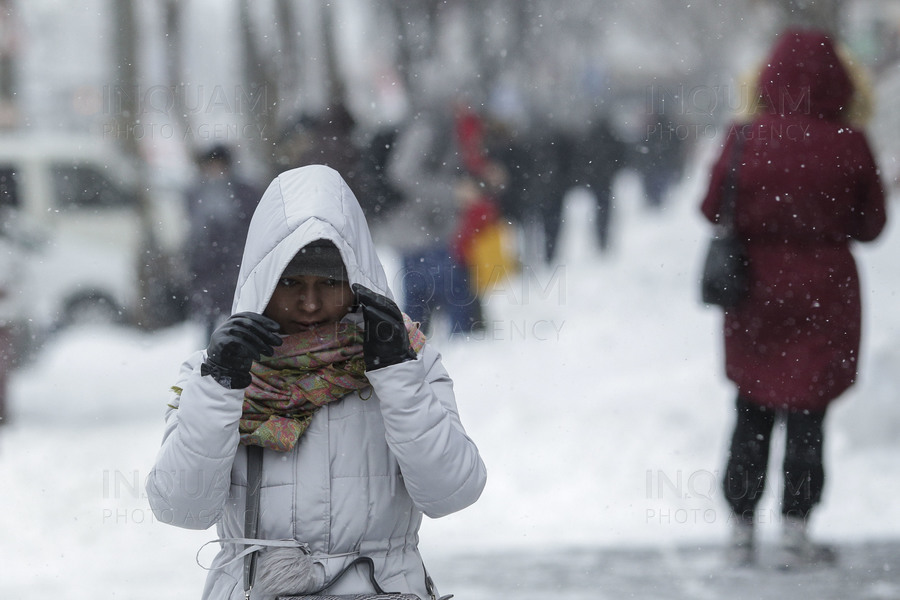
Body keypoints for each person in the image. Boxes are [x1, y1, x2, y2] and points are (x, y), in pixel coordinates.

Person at [147, 164, 486, 599]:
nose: (309, 302)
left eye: (329, 282)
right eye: (290, 282)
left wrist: (396, 373)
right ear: (264, 280)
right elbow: (181, 506)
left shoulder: (406, 359)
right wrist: (220, 385)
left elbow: (452, 491)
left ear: (356, 281)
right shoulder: (215, 371)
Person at [701, 29, 887, 568]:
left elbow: (713, 207)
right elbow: (872, 225)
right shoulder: (850, 142)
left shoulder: (744, 137)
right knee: (809, 411)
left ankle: (740, 528)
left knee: (752, 406)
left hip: (754, 292)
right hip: (825, 294)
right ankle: (795, 530)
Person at [185, 144, 260, 340]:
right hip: (207, 265)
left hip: (235, 262)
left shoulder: (245, 192)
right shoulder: (196, 192)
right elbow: (193, 230)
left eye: (218, 165)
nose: (214, 170)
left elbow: (250, 226)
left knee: (236, 313)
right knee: (208, 316)